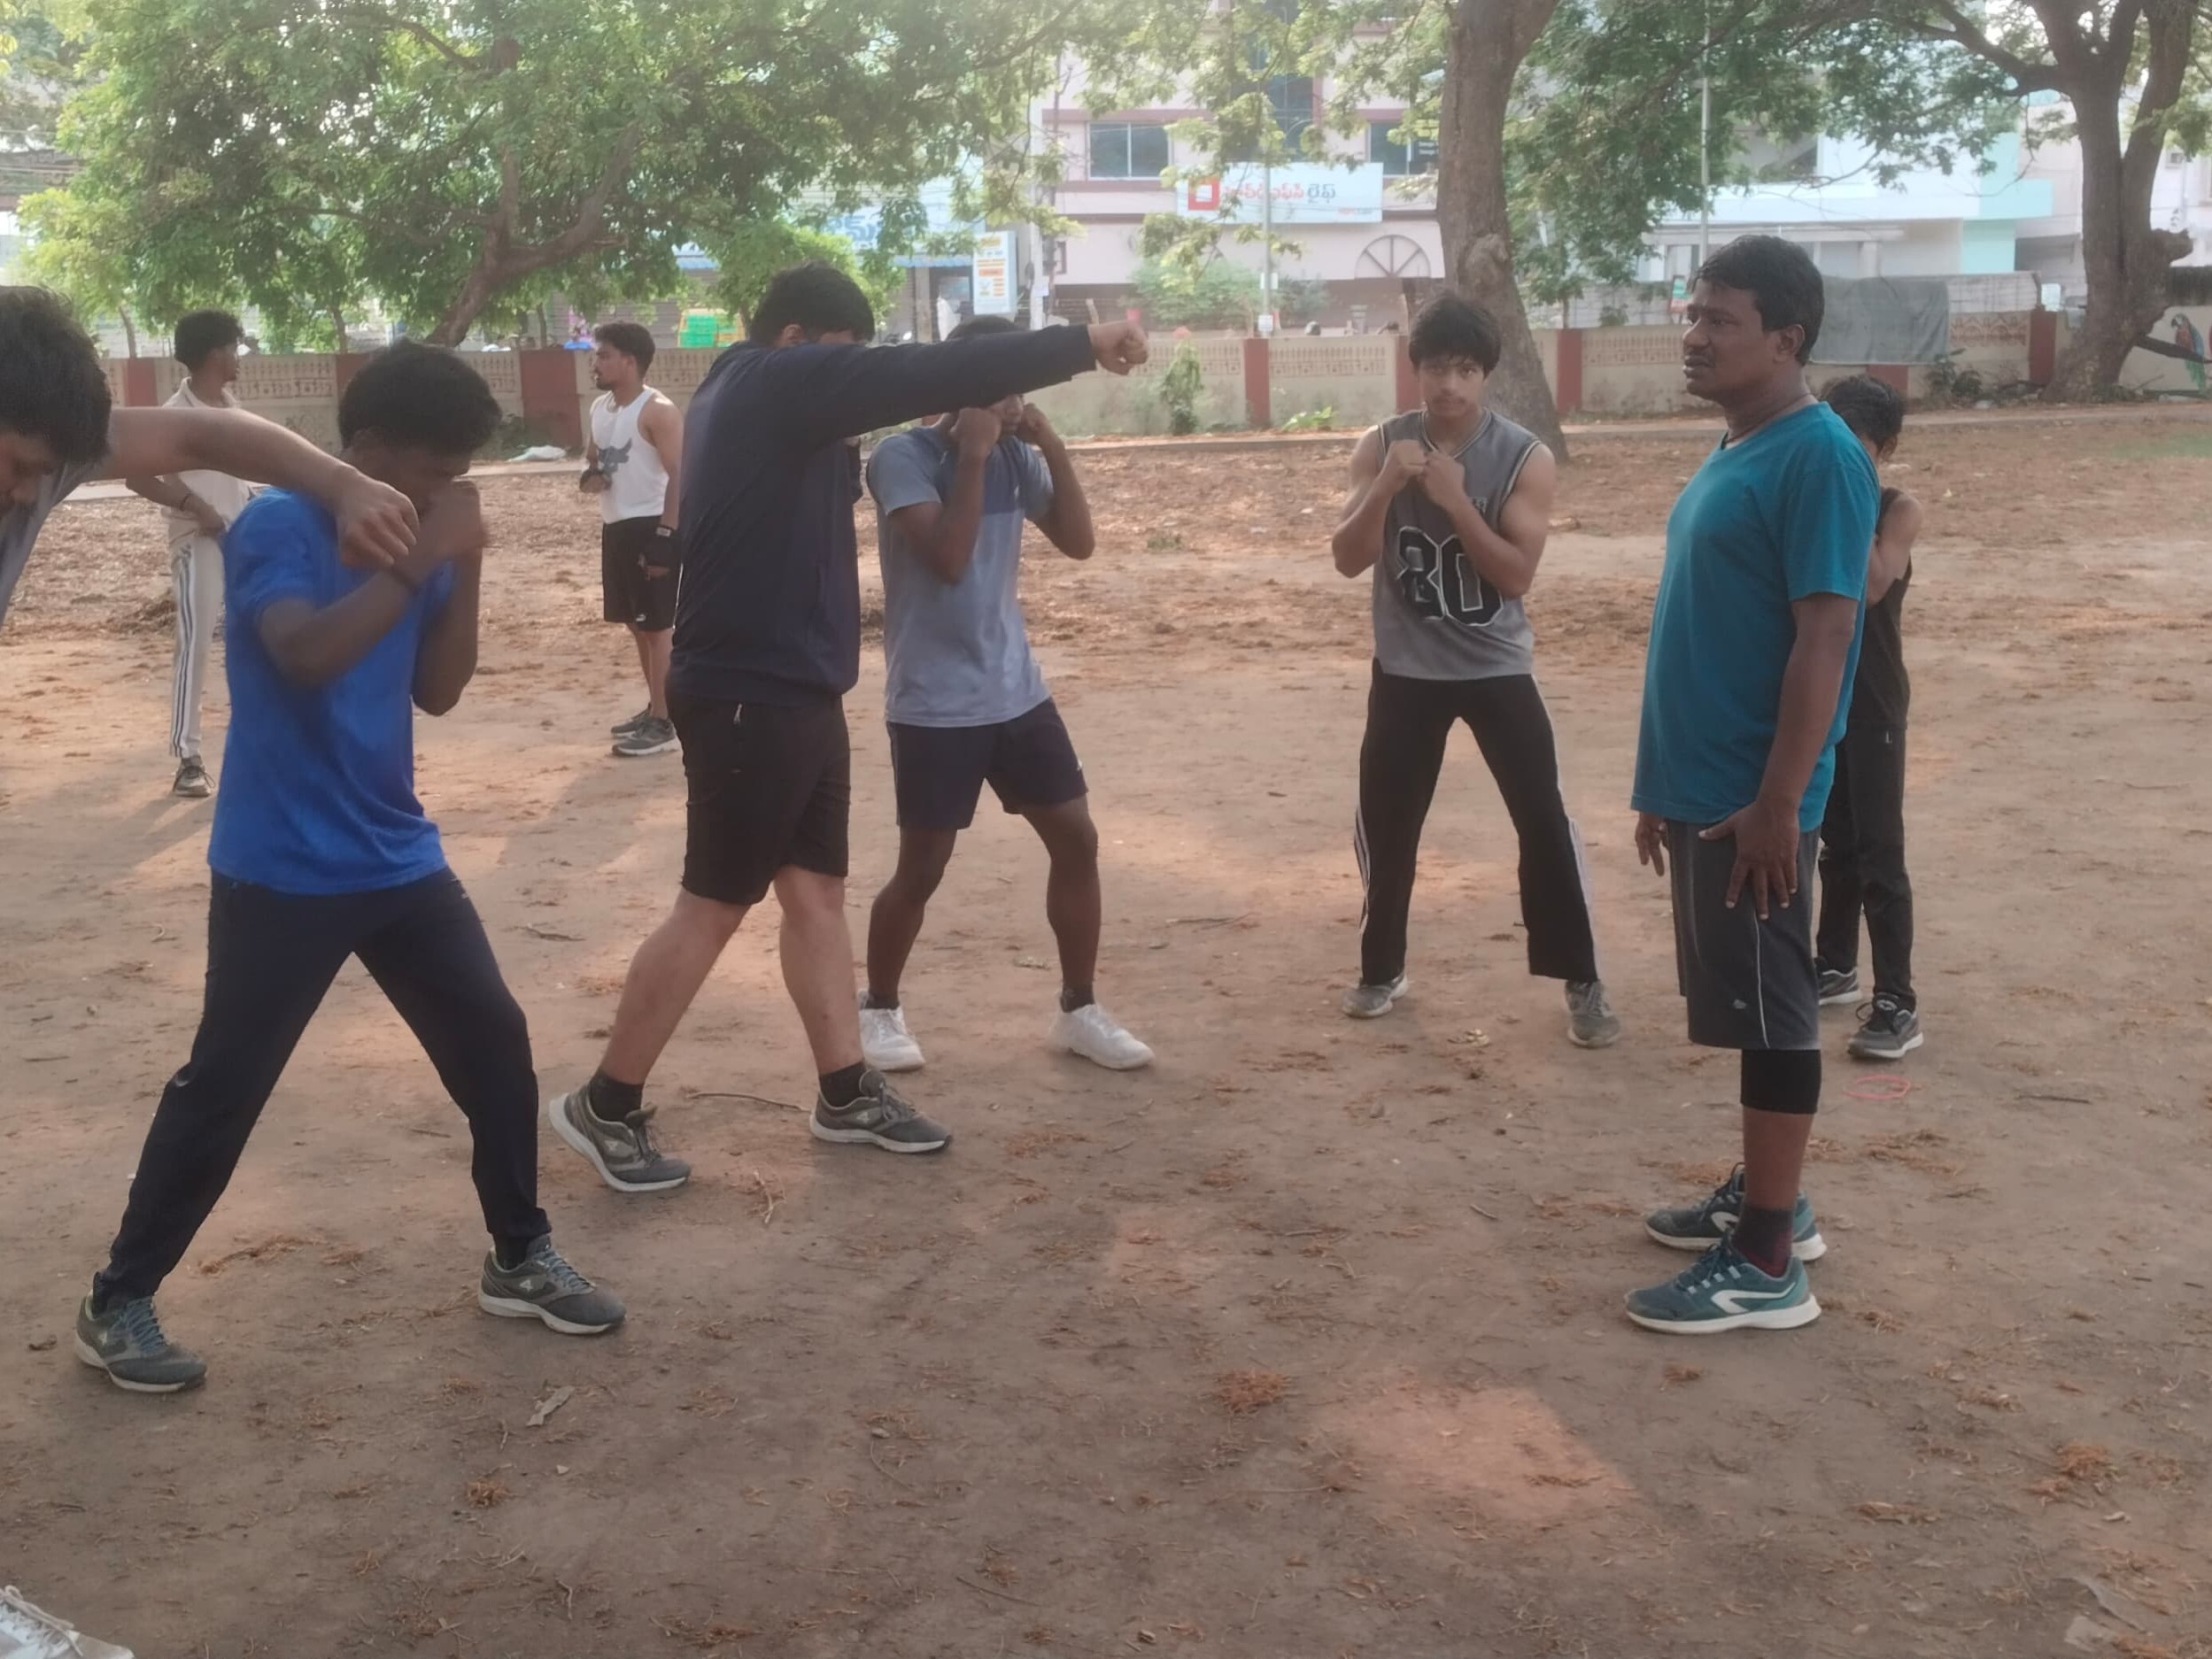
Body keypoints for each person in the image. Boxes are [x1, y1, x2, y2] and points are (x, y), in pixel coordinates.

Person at [76, 343, 624, 1394]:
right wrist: (420, 557)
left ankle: (519, 1253)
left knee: (495, 1045)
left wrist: (465, 562)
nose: (441, 491)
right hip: (280, 866)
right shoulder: (280, 525)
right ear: (366, 450)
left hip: (394, 853)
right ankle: (117, 1299)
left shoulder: (423, 533)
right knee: (224, 1087)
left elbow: (439, 690)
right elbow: (306, 656)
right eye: (429, 471)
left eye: (458, 474)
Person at [545, 262, 1145, 1192]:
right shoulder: (765, 382)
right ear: (793, 340)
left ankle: (844, 1089)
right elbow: (910, 376)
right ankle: (606, 1102)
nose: (847, 383)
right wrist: (1082, 343)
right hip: (748, 689)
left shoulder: (766, 399)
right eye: (838, 360)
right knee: (713, 903)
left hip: (798, 687)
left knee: (816, 894)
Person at [1628, 236, 1878, 1335]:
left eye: (1718, 319)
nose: (1693, 335)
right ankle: (1769, 1197)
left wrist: (1779, 800)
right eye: (1691, 313)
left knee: (1775, 1017)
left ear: (1785, 339)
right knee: (1747, 1008)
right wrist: (1660, 781)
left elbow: (1825, 636)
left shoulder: (1816, 457)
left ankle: (1768, 1256)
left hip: (1751, 798)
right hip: (1705, 784)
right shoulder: (1739, 441)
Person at [859, 314, 1151, 1075]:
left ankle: (1079, 1008)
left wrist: (1051, 447)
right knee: (923, 867)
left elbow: (1079, 543)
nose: (1013, 401)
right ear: (957, 387)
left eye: (1020, 386)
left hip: (1015, 690)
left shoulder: (1017, 458)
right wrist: (974, 454)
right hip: (934, 702)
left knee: (1076, 838)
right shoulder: (901, 457)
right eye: (998, 386)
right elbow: (949, 559)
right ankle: (879, 1008)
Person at [1328, 293, 1619, 1050]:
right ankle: (1381, 969)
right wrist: (1386, 486)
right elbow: (1347, 558)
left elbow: (1516, 575)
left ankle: (1582, 979)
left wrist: (1456, 502)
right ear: (1415, 369)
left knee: (1543, 821)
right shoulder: (1381, 445)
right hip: (1406, 668)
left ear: (1485, 374)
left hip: (1495, 667)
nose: (1448, 385)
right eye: (1435, 368)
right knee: (1388, 825)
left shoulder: (1525, 456)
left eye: (1464, 369)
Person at [0, 287, 417, 635]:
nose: (30, 494)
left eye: (43, 472)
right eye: (19, 466)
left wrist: (346, 486)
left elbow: (208, 436)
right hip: (195, 538)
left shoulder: (52, 451)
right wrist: (194, 506)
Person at [1814, 374, 1924, 1061]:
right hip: (1821, 697)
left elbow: (1875, 582)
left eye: (1855, 447)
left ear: (1882, 449)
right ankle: (1834, 965)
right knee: (1838, 845)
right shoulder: (1811, 501)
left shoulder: (1895, 509)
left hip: (1875, 700)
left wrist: (1847, 494)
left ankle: (1897, 1003)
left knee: (1881, 851)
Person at [124, 309, 254, 799]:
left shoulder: (230, 407)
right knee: (195, 643)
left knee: (253, 643)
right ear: (216, 353)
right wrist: (195, 507)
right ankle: (188, 759)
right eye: (234, 348)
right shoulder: (175, 414)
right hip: (197, 542)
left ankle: (256, 750)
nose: (239, 357)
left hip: (240, 538)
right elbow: (137, 477)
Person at [580, 320, 684, 759]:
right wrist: (591, 475)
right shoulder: (600, 408)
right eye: (596, 355)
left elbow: (681, 474)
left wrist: (666, 535)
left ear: (630, 361)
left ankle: (666, 721)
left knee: (658, 628)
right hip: (617, 526)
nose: (595, 363)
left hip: (650, 526)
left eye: (604, 356)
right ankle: (657, 705)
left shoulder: (657, 410)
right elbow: (592, 457)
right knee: (637, 625)